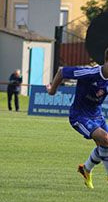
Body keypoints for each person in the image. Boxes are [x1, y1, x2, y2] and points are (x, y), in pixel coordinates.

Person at [46, 52, 108, 189]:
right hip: (80, 116)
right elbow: (62, 72)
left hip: (98, 116)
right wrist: (52, 91)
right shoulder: (88, 73)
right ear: (106, 60)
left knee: (104, 144)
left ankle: (85, 169)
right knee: (105, 139)